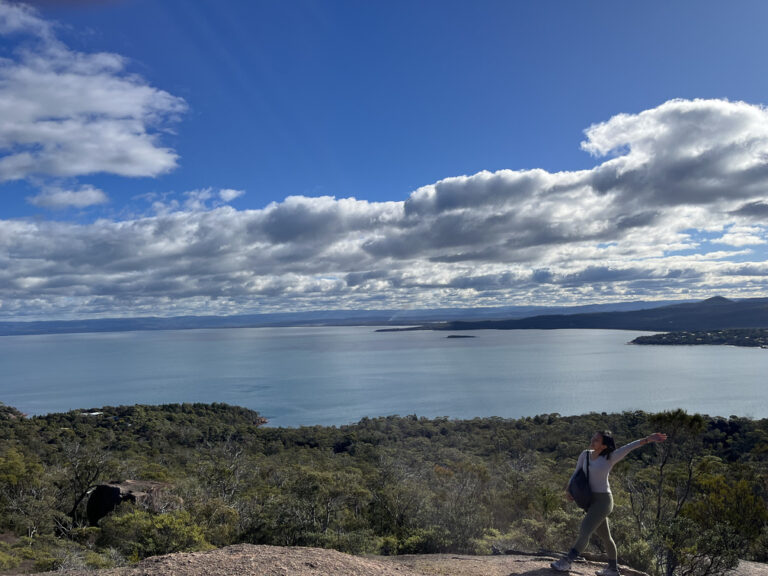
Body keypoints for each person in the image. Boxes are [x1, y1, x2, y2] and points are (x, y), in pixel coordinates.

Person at [550, 430, 667, 576]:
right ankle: (612, 569)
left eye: (597, 440)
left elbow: (629, 447)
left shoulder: (610, 458)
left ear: (604, 445)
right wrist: (568, 489)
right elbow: (576, 472)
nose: (593, 440)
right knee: (606, 537)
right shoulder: (584, 454)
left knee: (585, 529)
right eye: (593, 438)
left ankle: (567, 561)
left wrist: (648, 439)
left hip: (604, 501)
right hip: (590, 500)